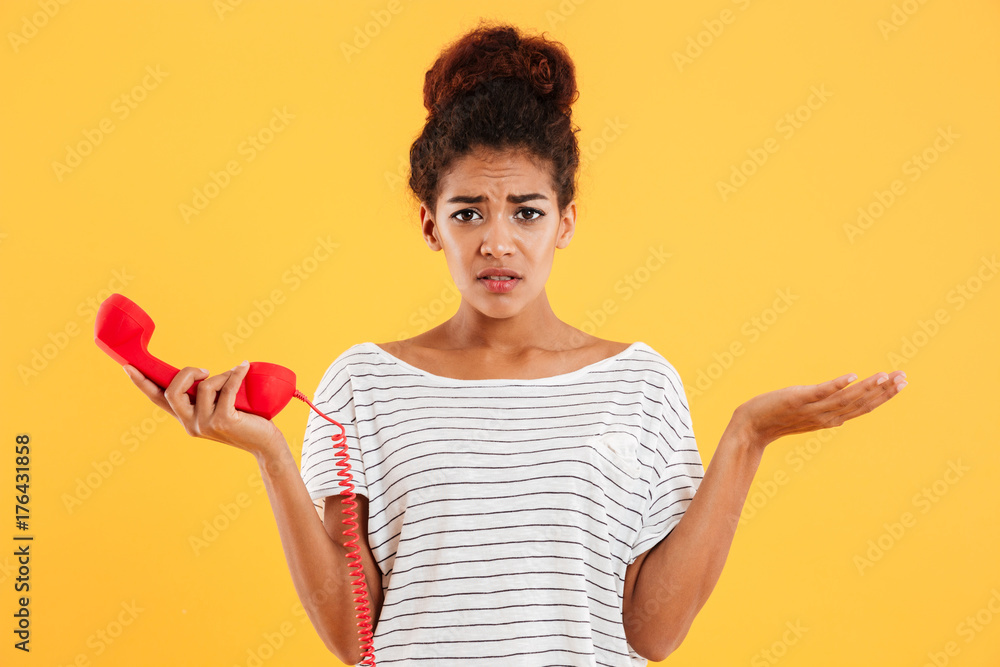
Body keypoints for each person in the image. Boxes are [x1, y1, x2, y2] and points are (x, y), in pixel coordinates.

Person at [123, 19, 907, 667]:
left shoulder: (640, 383)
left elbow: (653, 633)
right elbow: (353, 635)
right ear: (431, 224)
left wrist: (749, 435)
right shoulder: (361, 383)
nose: (498, 241)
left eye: (526, 212)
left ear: (565, 221)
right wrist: (270, 454)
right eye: (469, 212)